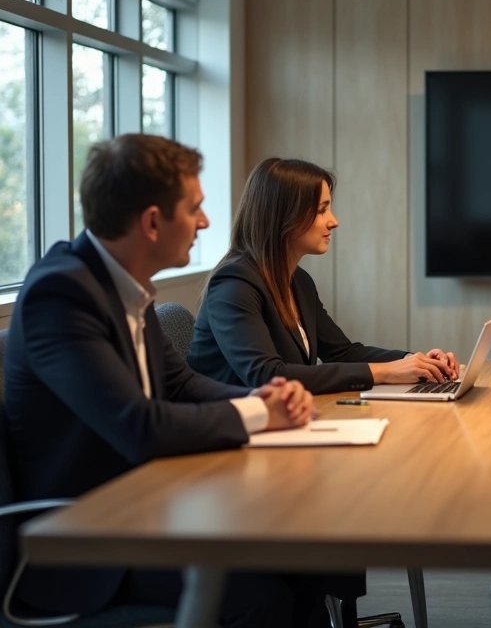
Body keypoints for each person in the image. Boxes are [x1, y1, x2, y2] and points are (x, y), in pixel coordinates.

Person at [2, 134, 328, 627]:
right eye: (195, 208)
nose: (206, 221)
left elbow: (182, 384)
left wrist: (262, 395)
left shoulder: (126, 287)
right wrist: (263, 413)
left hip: (147, 506)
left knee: (304, 562)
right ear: (153, 222)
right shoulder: (62, 295)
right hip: (81, 543)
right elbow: (139, 426)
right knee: (261, 597)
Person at [188, 158, 460, 394]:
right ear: (284, 217)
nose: (333, 220)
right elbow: (266, 375)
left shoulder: (299, 281)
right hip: (227, 438)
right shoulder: (234, 284)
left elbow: (342, 352)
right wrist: (386, 372)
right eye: (321, 210)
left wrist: (415, 361)